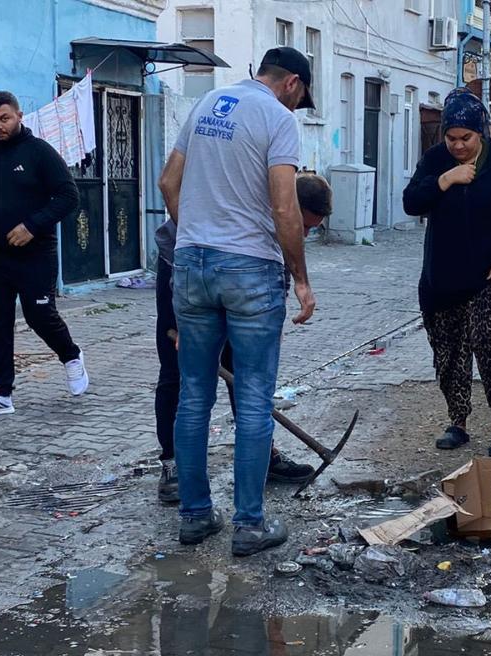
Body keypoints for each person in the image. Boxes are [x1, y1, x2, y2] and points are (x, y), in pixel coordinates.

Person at [156, 46, 317, 557]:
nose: (296, 106)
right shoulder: (277, 119)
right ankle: (250, 524)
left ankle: (195, 515)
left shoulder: (207, 105)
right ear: (292, 83)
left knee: (194, 393)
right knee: (252, 398)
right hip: (249, 268)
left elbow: (167, 182)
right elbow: (284, 204)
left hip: (191, 266)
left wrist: (197, 237)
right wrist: (300, 277)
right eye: (300, 97)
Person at [154, 173, 333, 505]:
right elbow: (185, 249)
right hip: (183, 265)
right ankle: (174, 465)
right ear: (287, 210)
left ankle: (262, 456)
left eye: (310, 230)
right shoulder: (245, 209)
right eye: (303, 226)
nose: (304, 235)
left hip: (234, 276)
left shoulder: (279, 225)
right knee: (179, 375)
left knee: (245, 369)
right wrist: (182, 321)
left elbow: (275, 275)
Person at [403, 89, 491, 459]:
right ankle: (457, 421)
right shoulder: (435, 160)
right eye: (452, 138)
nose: (458, 145)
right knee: (449, 355)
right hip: (441, 278)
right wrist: (445, 180)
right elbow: (411, 202)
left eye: (466, 138)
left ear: (482, 134)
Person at [0, 91, 87, 418]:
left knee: (38, 315)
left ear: (19, 115)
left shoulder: (39, 153)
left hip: (35, 255)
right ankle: (1, 393)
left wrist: (32, 225)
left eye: (4, 119)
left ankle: (71, 355)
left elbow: (69, 196)